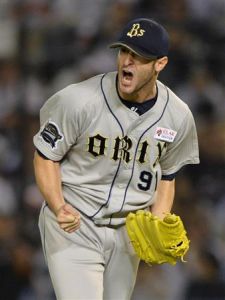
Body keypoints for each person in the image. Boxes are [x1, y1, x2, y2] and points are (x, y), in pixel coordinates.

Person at [33, 18, 199, 300]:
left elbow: (167, 176)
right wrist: (58, 205)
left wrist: (158, 220)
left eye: (139, 56)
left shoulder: (177, 116)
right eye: (124, 51)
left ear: (160, 64)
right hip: (76, 222)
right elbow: (45, 156)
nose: (127, 61)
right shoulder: (79, 100)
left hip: (127, 233)